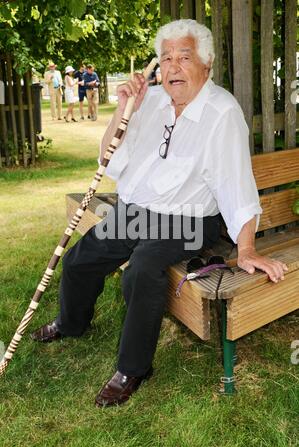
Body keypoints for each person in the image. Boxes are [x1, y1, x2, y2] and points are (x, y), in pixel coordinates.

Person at [32, 19, 287, 407]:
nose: (172, 67)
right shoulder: (148, 101)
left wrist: (247, 247)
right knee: (79, 261)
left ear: (207, 63)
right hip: (137, 210)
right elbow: (109, 158)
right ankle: (71, 324)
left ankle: (132, 368)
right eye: (165, 58)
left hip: (188, 219)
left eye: (184, 57)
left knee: (143, 270)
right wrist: (123, 108)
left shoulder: (221, 112)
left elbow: (236, 183)